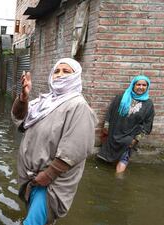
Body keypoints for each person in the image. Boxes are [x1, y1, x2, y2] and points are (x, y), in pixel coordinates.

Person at [11, 58, 96, 225]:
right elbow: (20, 120)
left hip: (50, 183)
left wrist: (48, 175)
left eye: (66, 71)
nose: (60, 75)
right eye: (56, 71)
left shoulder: (78, 106)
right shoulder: (45, 102)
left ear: (76, 76)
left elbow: (75, 149)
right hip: (33, 177)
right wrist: (23, 98)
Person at [97, 75, 154, 173]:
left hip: (130, 137)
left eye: (144, 85)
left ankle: (118, 181)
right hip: (114, 133)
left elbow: (147, 124)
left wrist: (136, 139)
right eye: (138, 84)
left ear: (147, 87)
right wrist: (106, 127)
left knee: (124, 158)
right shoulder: (121, 98)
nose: (141, 87)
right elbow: (110, 113)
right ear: (133, 85)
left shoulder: (148, 104)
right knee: (108, 159)